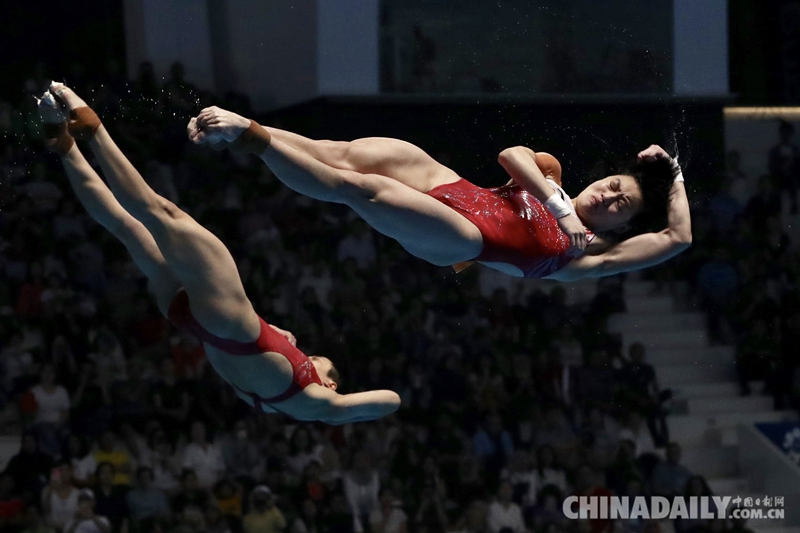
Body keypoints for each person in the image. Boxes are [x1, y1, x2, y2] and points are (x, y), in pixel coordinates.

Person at [39, 82, 400, 424]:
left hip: (225, 320)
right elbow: (248, 356)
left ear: (330, 382)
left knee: (162, 213)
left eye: (317, 359)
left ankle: (93, 130)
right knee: (127, 228)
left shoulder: (318, 401)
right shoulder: (267, 402)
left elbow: (391, 400)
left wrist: (333, 404)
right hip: (191, 319)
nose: (309, 356)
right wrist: (279, 339)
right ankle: (65, 145)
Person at [188, 107, 691, 281]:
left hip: (462, 239)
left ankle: (245, 139)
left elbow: (678, 237)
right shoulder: (552, 177)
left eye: (620, 204)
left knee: (362, 189)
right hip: (449, 184)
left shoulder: (590, 255)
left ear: (620, 227)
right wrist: (558, 207)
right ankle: (236, 126)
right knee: (338, 152)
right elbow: (512, 155)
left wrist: (674, 173)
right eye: (613, 185)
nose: (608, 196)